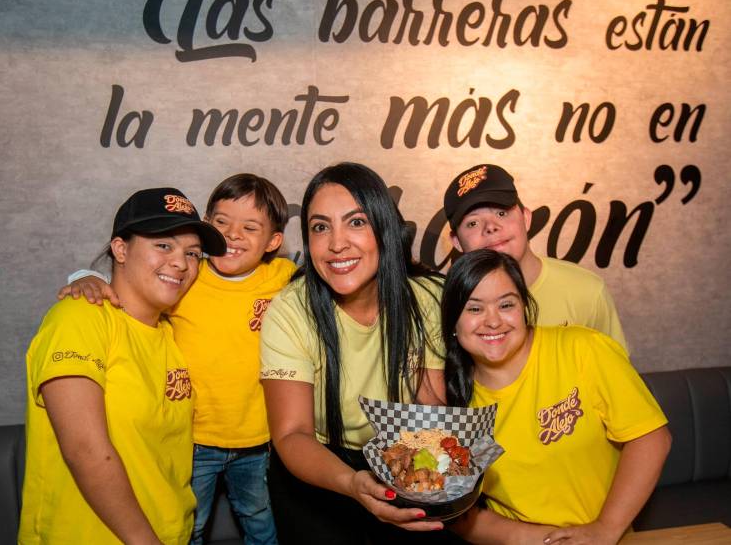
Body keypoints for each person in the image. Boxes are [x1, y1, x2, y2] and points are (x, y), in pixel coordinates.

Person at [58, 174, 294, 545]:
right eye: (221, 223)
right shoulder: (189, 279)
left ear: (274, 242)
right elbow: (130, 283)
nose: (233, 235)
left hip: (257, 440)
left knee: (260, 520)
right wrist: (86, 276)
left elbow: (333, 277)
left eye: (250, 227)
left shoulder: (283, 278)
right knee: (190, 524)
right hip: (194, 439)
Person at [259, 162, 463, 544]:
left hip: (402, 457)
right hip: (317, 468)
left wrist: (425, 478)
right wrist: (353, 483)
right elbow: (292, 434)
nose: (337, 243)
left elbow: (431, 413)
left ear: (384, 228)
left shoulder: (428, 299)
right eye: (320, 227)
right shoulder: (290, 311)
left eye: (356, 222)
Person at [19, 187, 227, 544]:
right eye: (164, 245)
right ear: (120, 249)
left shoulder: (172, 336)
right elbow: (85, 450)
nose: (181, 262)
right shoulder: (79, 317)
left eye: (192, 253)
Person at [439, 250, 671, 544]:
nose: (493, 321)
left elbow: (651, 438)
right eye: (474, 309)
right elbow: (462, 515)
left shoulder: (582, 348)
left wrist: (604, 529)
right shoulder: (449, 399)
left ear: (524, 306)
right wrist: (552, 540)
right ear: (453, 323)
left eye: (506, 304)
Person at [443, 164, 628, 350]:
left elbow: (615, 372)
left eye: (501, 213)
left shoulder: (587, 291)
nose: (490, 227)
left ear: (526, 218)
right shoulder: (446, 302)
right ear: (456, 241)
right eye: (472, 223)